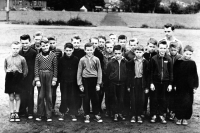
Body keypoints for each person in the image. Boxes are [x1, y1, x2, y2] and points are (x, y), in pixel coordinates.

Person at [77, 43, 103, 123]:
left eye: (91, 50)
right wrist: (80, 84)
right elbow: (79, 72)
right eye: (87, 50)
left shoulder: (96, 59)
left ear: (93, 50)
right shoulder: (82, 60)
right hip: (85, 80)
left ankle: (96, 114)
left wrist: (98, 83)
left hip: (94, 80)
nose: (89, 51)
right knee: (86, 98)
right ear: (85, 50)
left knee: (95, 98)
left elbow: (99, 72)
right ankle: (86, 114)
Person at [173, 45, 199, 125]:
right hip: (180, 86)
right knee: (179, 101)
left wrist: (195, 86)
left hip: (189, 87)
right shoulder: (178, 62)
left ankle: (185, 118)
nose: (188, 56)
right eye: (187, 54)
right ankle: (179, 117)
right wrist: (174, 84)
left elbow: (195, 75)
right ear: (183, 52)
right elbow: (175, 74)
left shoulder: (192, 63)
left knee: (188, 102)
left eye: (190, 54)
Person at [34, 37, 57, 122]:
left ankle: (48, 115)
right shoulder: (38, 56)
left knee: (49, 96)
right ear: (40, 46)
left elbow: (55, 68)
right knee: (40, 96)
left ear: (49, 45)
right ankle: (40, 114)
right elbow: (36, 68)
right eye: (43, 46)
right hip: (40, 76)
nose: (45, 47)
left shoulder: (53, 55)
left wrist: (54, 79)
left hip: (50, 76)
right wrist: (37, 80)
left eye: (47, 45)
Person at [150, 40, 173, 124]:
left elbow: (171, 72)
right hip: (155, 82)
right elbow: (151, 72)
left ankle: (161, 114)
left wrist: (170, 84)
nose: (162, 50)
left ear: (166, 48)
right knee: (154, 99)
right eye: (160, 48)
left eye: (164, 48)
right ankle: (153, 115)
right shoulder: (154, 59)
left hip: (165, 82)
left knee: (163, 99)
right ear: (158, 48)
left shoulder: (169, 59)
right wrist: (151, 83)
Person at [4, 41, 28, 122]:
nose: (15, 50)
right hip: (10, 78)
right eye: (14, 48)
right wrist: (10, 74)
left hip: (19, 78)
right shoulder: (7, 58)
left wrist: (20, 77)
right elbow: (5, 68)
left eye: (17, 48)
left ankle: (17, 113)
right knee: (11, 97)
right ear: (11, 48)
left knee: (17, 96)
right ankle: (11, 113)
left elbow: (25, 70)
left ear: (20, 48)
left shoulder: (22, 59)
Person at [127, 45, 149, 123]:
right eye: (137, 52)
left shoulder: (146, 62)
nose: (138, 54)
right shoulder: (131, 62)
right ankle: (133, 115)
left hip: (142, 82)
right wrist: (128, 85)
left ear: (143, 52)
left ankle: (139, 115)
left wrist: (147, 87)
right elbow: (129, 75)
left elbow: (147, 75)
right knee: (133, 99)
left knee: (141, 99)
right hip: (134, 82)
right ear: (134, 52)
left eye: (140, 52)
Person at [58, 43, 79, 121]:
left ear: (73, 50)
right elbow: (59, 71)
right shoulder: (61, 59)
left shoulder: (76, 59)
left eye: (70, 50)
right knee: (64, 97)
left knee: (73, 97)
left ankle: (72, 113)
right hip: (64, 82)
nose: (68, 52)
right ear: (64, 50)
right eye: (67, 50)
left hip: (73, 82)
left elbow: (78, 71)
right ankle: (62, 112)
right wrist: (60, 80)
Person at [106, 45, 127, 122]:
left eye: (119, 53)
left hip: (122, 83)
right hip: (113, 83)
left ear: (122, 53)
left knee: (121, 99)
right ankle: (114, 113)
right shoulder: (110, 62)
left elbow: (127, 73)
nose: (117, 55)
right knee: (113, 99)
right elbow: (107, 73)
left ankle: (120, 112)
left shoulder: (125, 62)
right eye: (116, 53)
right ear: (113, 53)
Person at [19, 34, 37, 119]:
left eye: (26, 43)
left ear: (30, 42)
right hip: (21, 78)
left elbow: (36, 66)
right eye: (23, 43)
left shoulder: (33, 52)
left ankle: (30, 112)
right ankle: (22, 111)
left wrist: (35, 78)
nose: (24, 45)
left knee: (30, 94)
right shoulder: (19, 52)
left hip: (30, 77)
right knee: (22, 94)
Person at [167, 41, 182, 121]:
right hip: (168, 79)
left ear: (178, 50)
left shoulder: (180, 57)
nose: (173, 52)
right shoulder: (167, 57)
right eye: (171, 50)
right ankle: (168, 111)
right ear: (169, 49)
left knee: (175, 96)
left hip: (176, 79)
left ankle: (174, 111)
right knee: (168, 96)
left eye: (175, 50)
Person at [143, 38, 157, 117]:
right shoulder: (144, 55)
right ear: (147, 46)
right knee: (144, 95)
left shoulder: (156, 56)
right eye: (150, 46)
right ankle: (143, 110)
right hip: (145, 78)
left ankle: (153, 112)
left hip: (153, 79)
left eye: (153, 46)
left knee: (153, 97)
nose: (151, 48)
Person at [71, 35, 86, 115]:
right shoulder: (70, 51)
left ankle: (80, 108)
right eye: (74, 42)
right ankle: (74, 109)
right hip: (73, 75)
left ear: (80, 43)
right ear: (72, 42)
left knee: (81, 92)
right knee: (73, 93)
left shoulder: (83, 52)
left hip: (81, 75)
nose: (76, 44)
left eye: (77, 42)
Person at [48, 36, 62, 113]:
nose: (52, 45)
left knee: (53, 92)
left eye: (53, 43)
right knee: (47, 92)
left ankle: (52, 107)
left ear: (56, 42)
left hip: (55, 76)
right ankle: (47, 107)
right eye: (50, 43)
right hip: (47, 75)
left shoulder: (59, 52)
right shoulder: (44, 51)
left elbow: (60, 64)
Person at [102, 41, 115, 117]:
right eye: (107, 47)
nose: (109, 49)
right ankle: (107, 109)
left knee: (112, 94)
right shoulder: (103, 55)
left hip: (113, 77)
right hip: (105, 76)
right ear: (105, 48)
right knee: (106, 94)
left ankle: (112, 109)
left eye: (111, 47)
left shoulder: (115, 55)